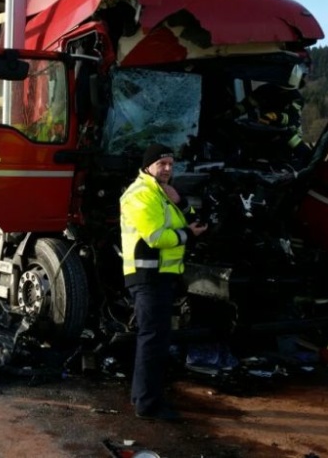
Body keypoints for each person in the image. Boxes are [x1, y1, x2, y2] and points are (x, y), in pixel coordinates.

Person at [119, 143, 207, 421]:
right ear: (148, 166)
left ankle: (143, 398)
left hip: (162, 277)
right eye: (162, 164)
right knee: (153, 341)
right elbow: (157, 237)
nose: (168, 169)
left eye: (171, 163)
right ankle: (148, 405)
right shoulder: (140, 194)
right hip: (148, 277)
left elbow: (198, 222)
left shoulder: (164, 193)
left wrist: (181, 202)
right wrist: (187, 235)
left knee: (155, 340)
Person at [226, 82, 312, 164]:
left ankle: (306, 159)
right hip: (265, 129)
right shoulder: (264, 90)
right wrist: (232, 113)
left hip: (289, 133)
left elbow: (291, 118)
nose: (283, 90)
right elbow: (246, 105)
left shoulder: (296, 98)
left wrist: (275, 116)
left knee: (295, 151)